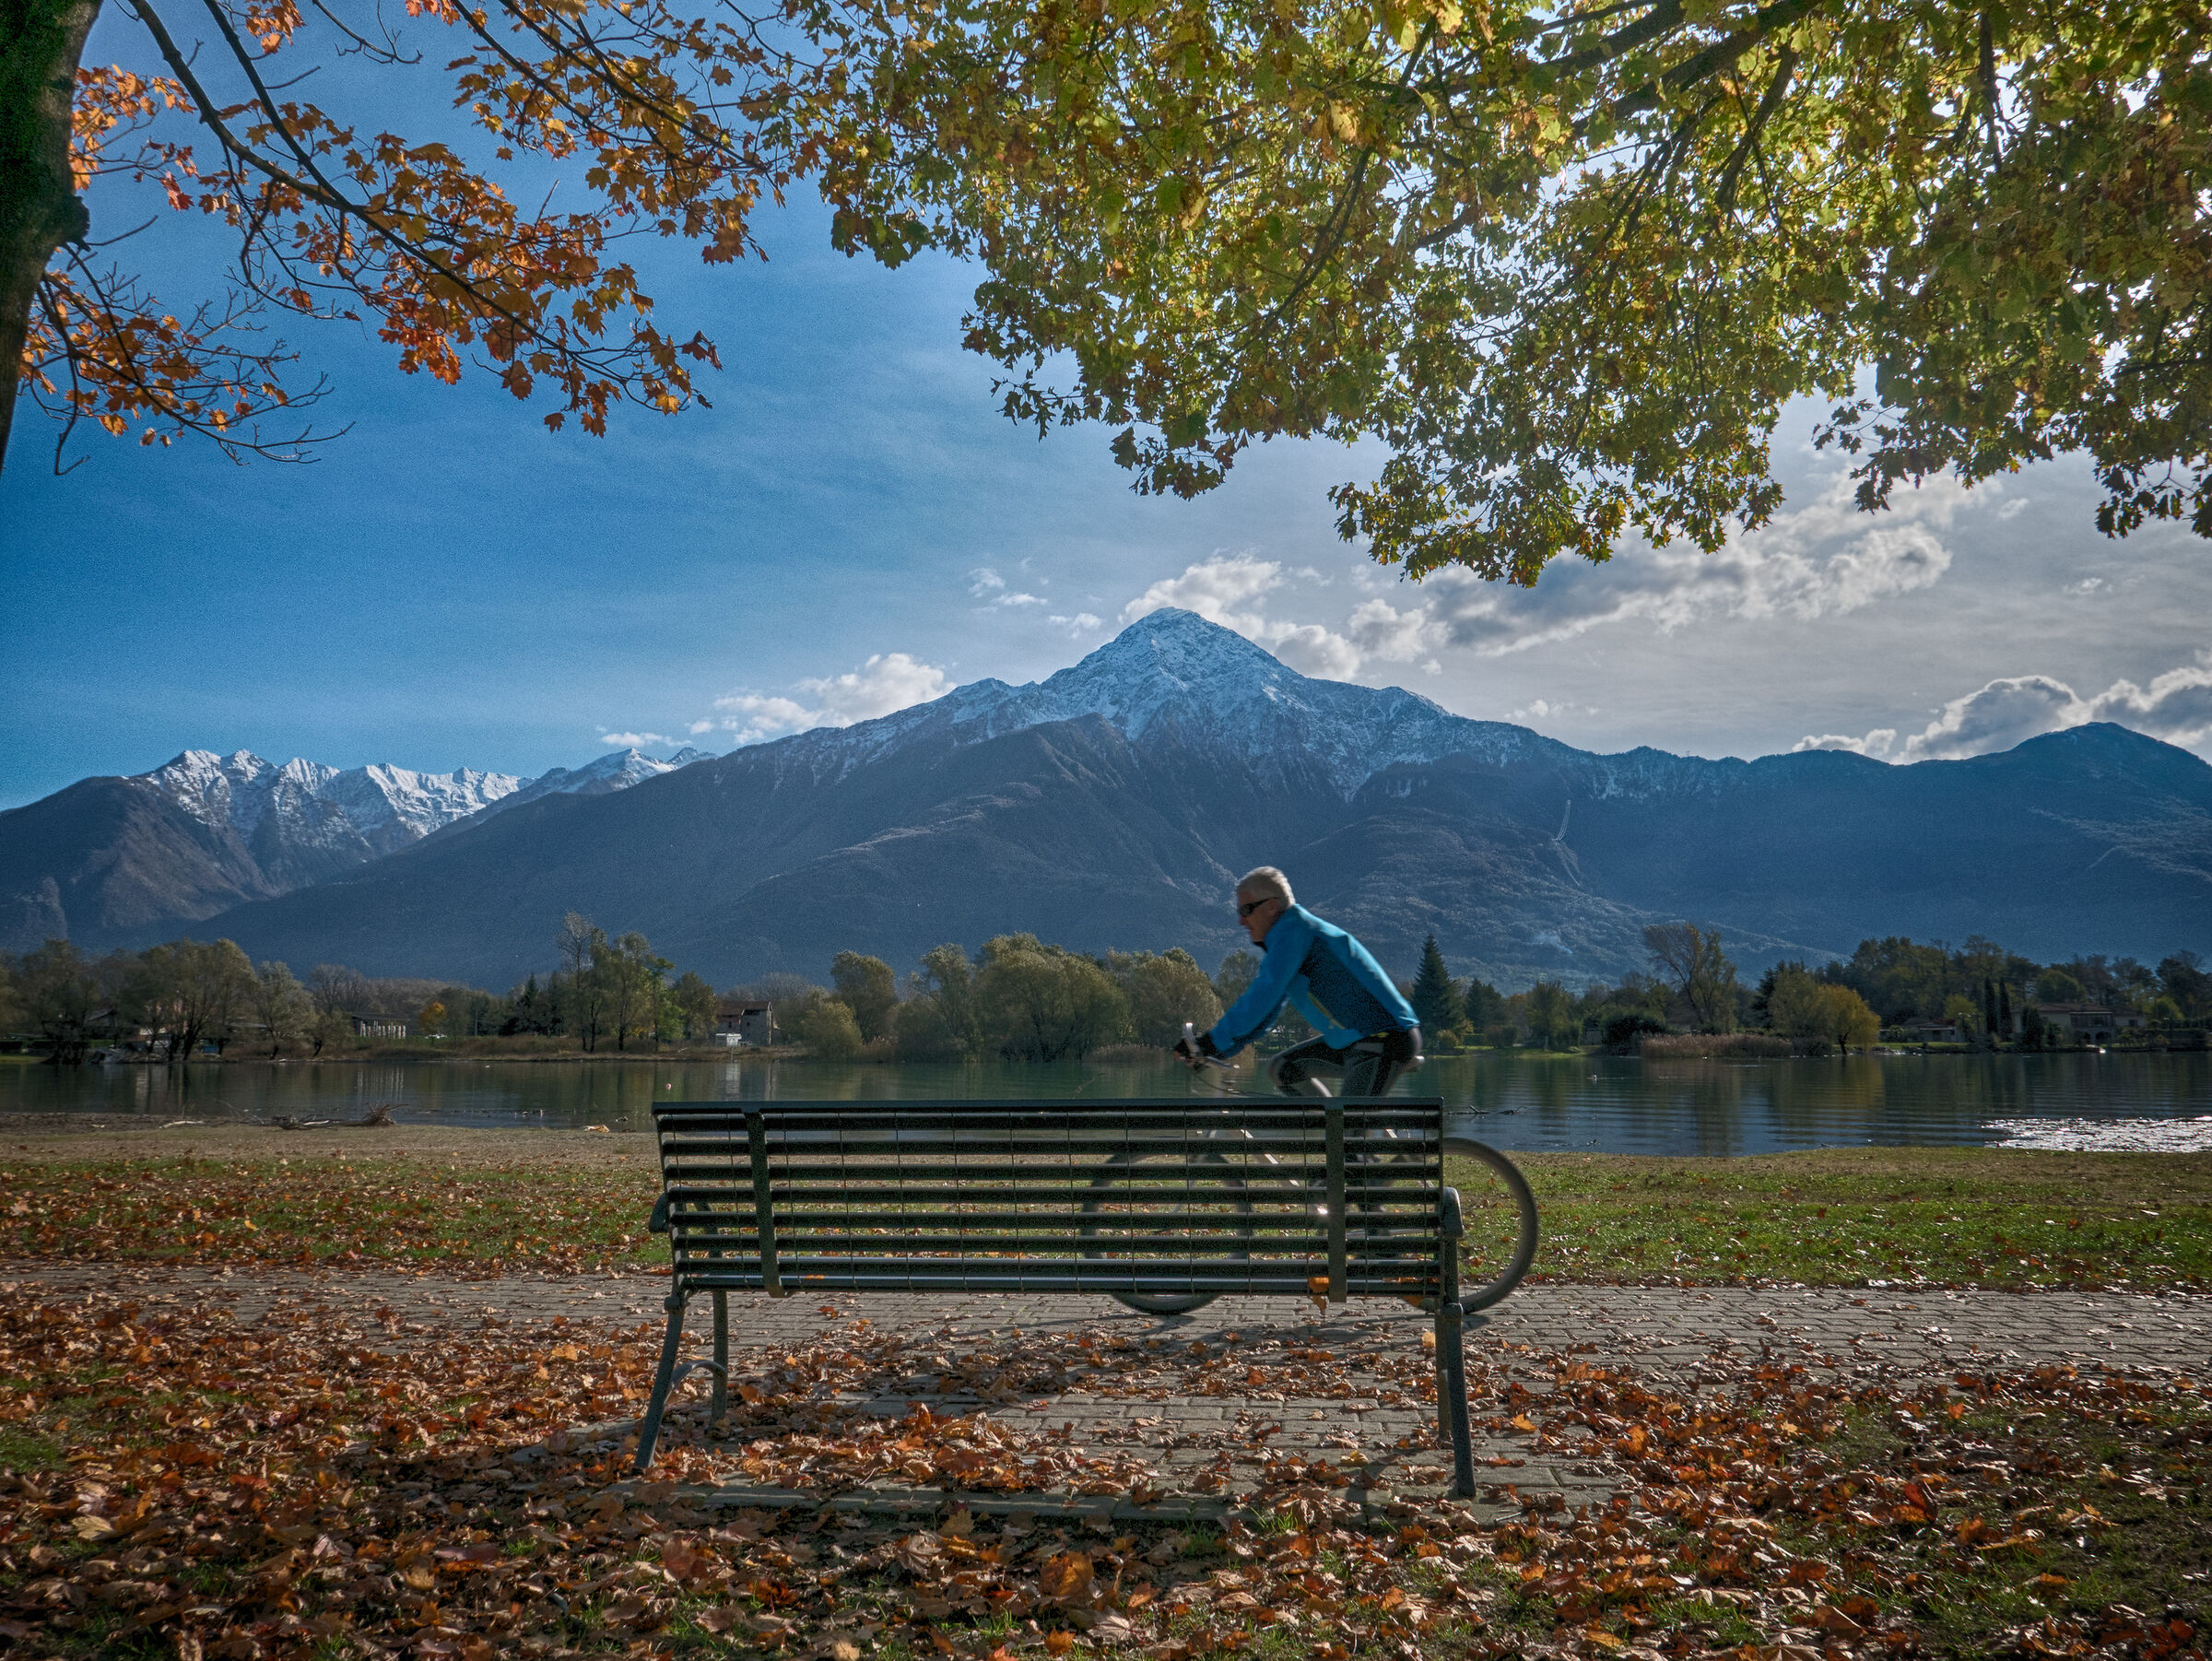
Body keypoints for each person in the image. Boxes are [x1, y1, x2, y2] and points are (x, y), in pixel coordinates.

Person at [1175, 866, 1421, 1096]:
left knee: (1347, 1135)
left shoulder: (1294, 932)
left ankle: (1338, 1139)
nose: (1241, 921)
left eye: (1246, 910)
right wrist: (1217, 1050)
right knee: (1282, 1068)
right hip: (1356, 1040)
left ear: (1271, 906)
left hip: (1383, 1039)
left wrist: (1210, 1042)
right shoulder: (1288, 940)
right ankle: (1328, 1135)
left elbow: (1261, 996)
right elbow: (1266, 1013)